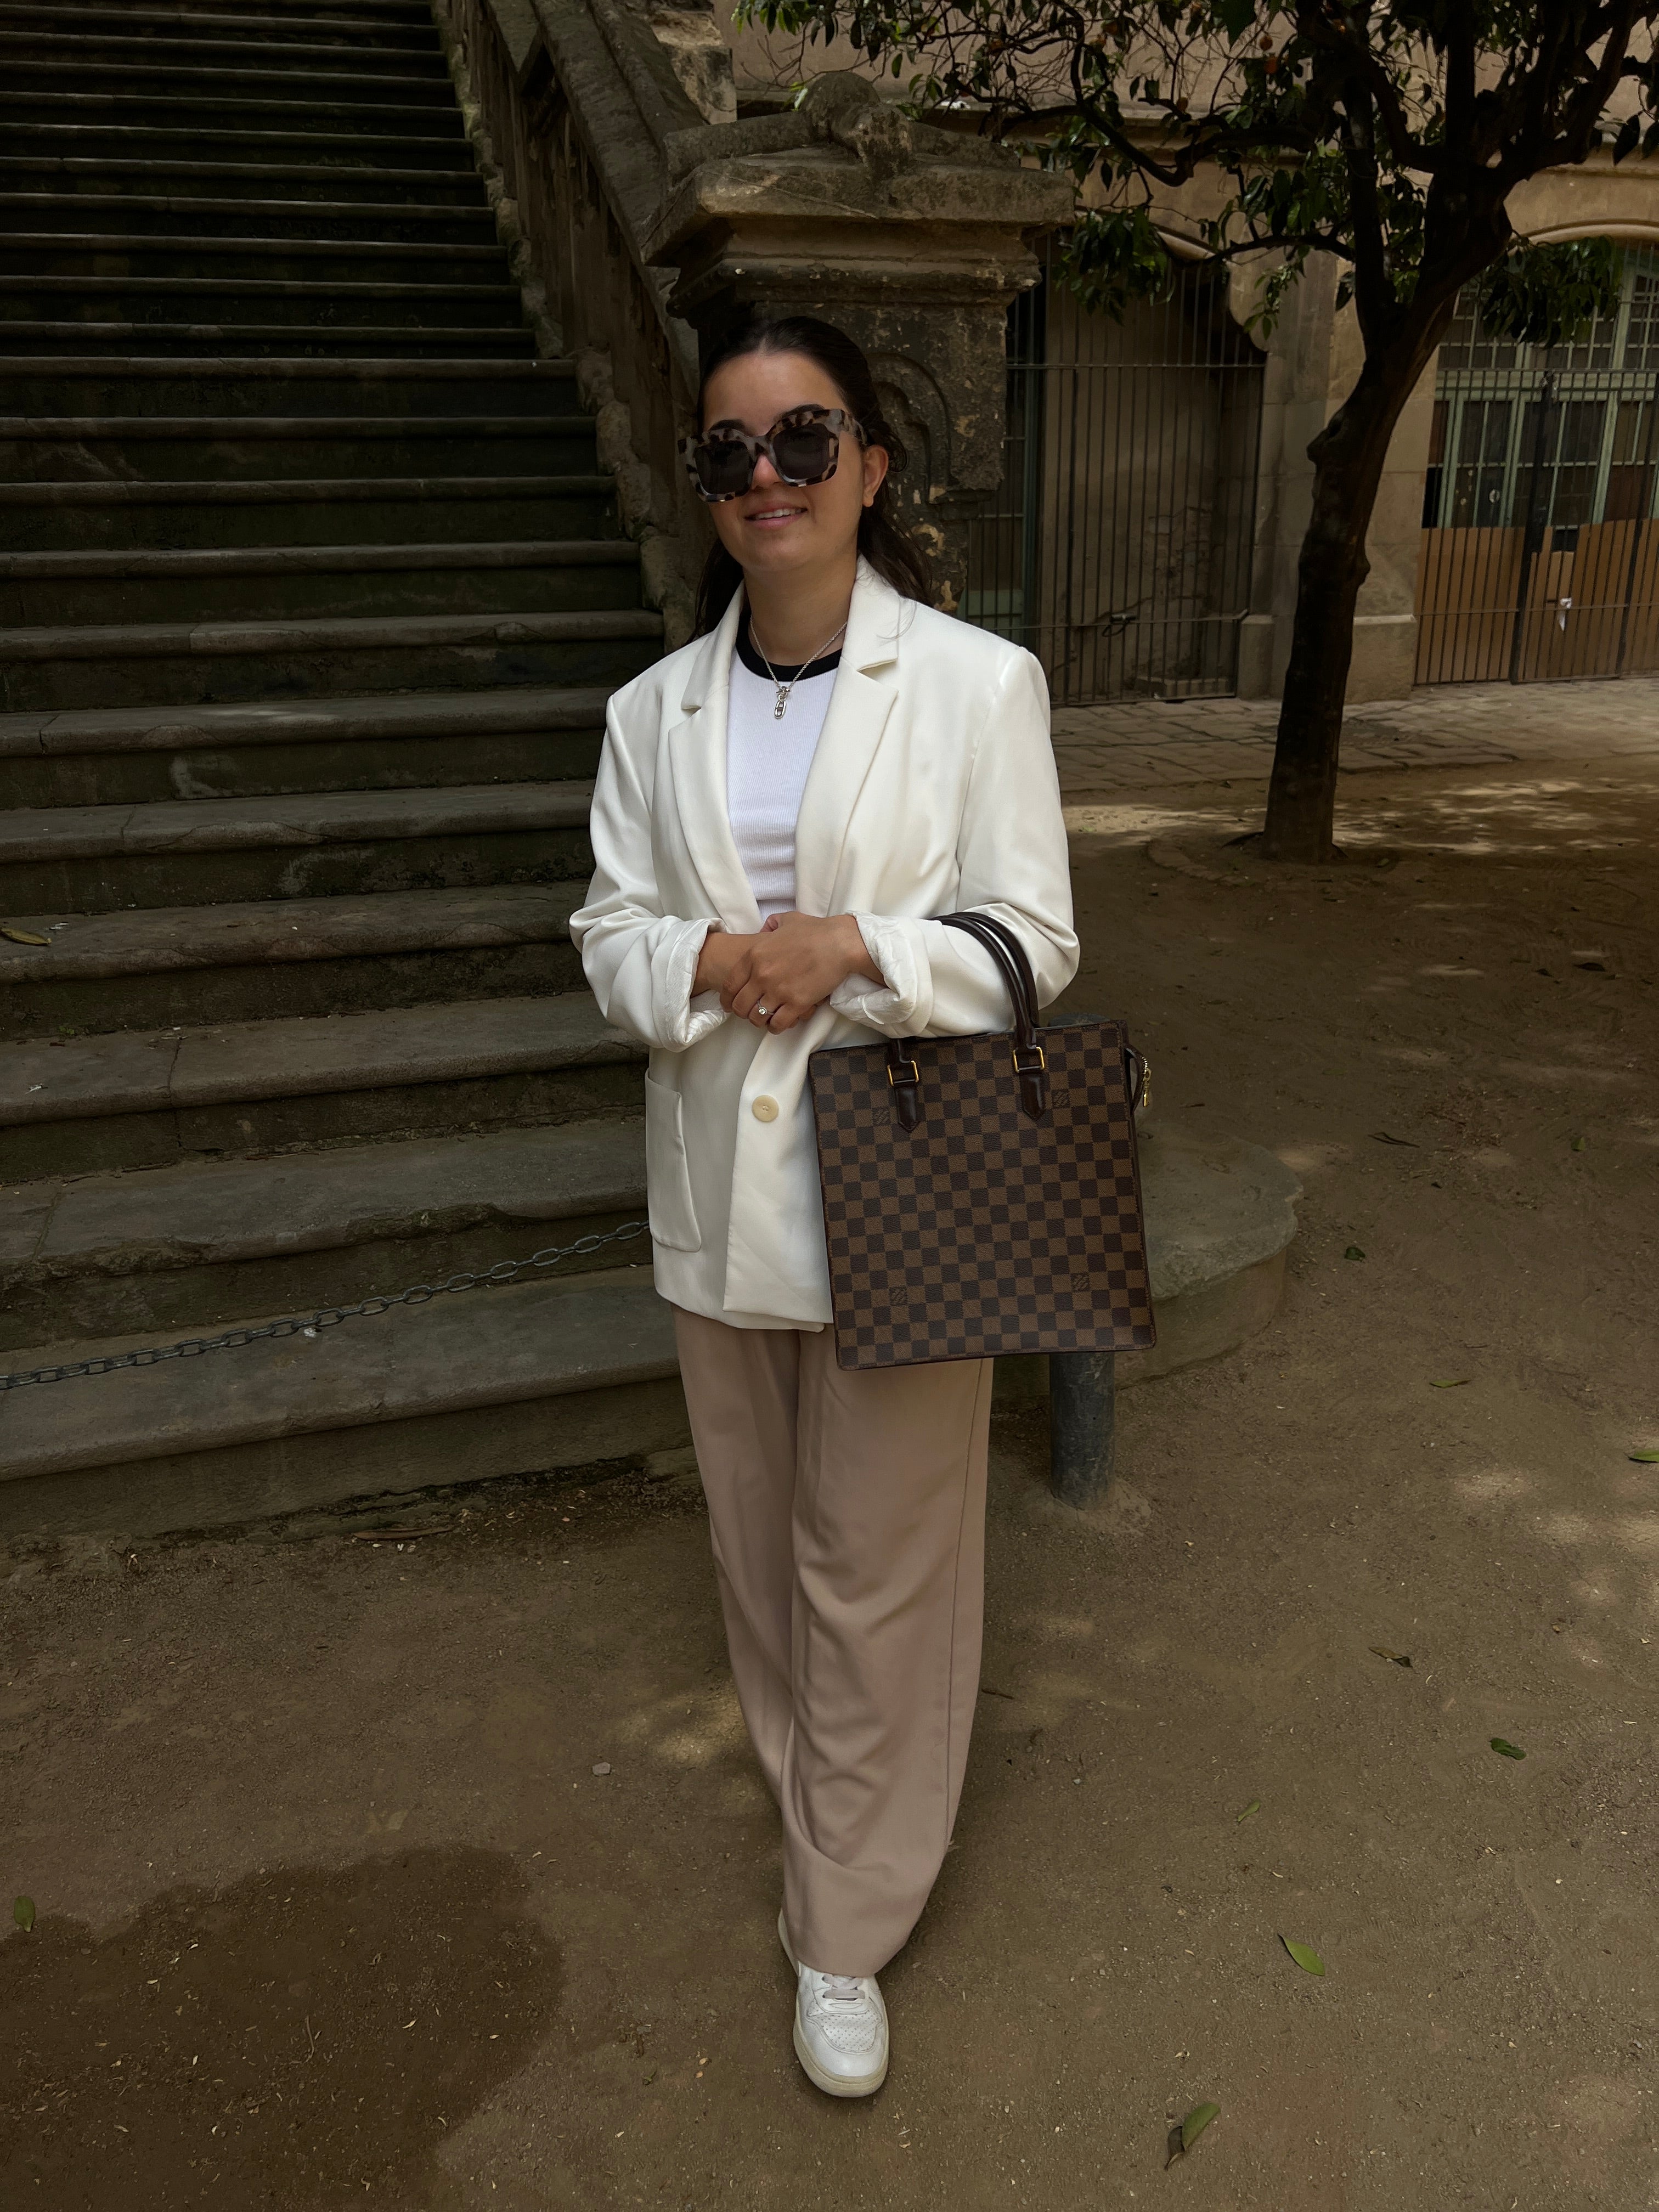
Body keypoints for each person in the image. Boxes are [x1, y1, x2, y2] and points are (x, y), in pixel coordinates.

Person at [571, 314, 1076, 2098]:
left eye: (804, 439)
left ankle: (842, 1926)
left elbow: (1033, 945)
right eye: (731, 450)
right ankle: (823, 1834)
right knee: (762, 1558)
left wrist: (851, 948)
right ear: (707, 486)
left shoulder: (976, 686)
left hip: (911, 1197)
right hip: (719, 1205)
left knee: (878, 1576)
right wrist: (711, 961)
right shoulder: (651, 714)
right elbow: (607, 933)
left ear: (870, 463)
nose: (767, 475)